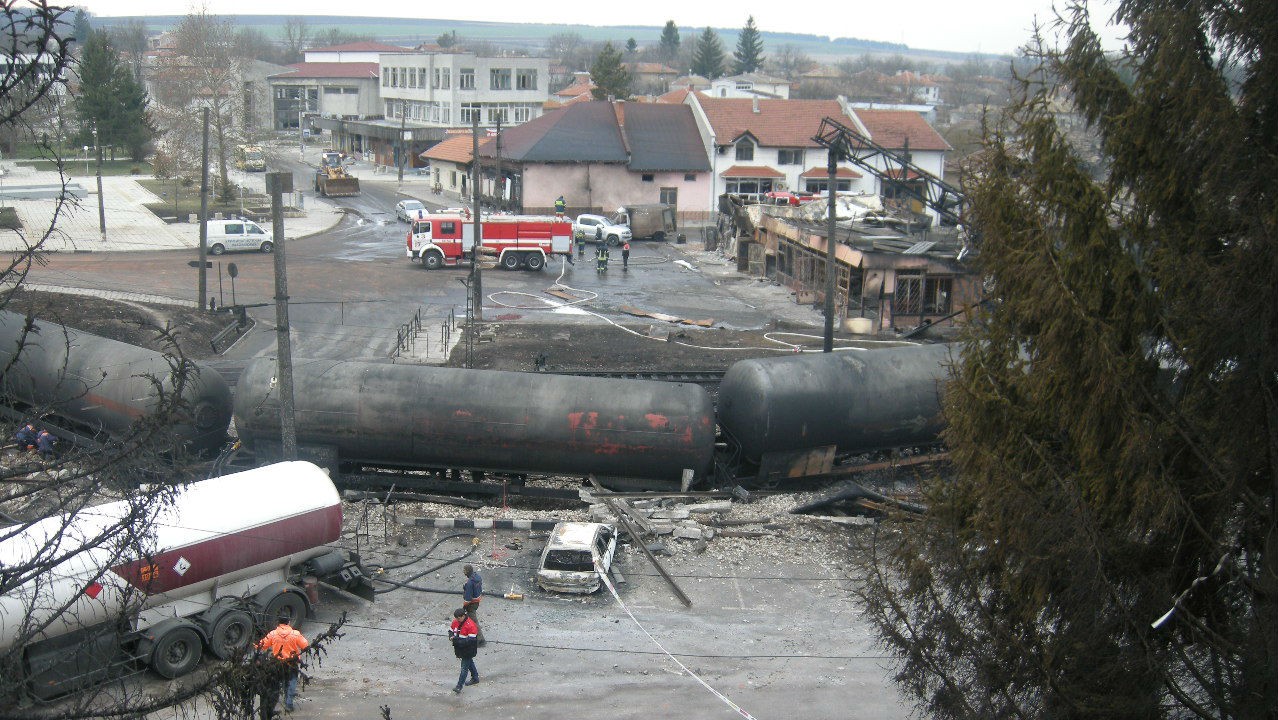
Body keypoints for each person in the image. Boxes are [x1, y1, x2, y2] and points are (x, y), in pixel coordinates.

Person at [256, 615, 309, 714]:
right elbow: (305, 645)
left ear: (279, 623)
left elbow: (261, 646)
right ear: (288, 622)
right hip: (291, 663)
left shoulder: (272, 634)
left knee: (277, 684)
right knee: (291, 682)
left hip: (277, 664)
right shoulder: (295, 634)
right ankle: (288, 704)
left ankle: (271, 706)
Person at [449, 608, 480, 694]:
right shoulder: (456, 621)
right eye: (456, 618)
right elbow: (451, 631)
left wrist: (456, 640)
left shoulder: (471, 625)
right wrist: (451, 636)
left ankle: (459, 686)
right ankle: (475, 678)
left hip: (468, 650)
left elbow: (471, 641)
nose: (457, 620)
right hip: (460, 649)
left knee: (464, 668)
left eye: (459, 618)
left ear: (463, 616)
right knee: (470, 663)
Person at [462, 564, 485, 645]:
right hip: (477, 601)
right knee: (470, 620)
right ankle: (470, 635)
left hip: (471, 604)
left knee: (474, 621)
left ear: (467, 571)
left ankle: (480, 640)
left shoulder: (469, 583)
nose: (463, 572)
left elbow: (467, 599)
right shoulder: (477, 577)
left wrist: (464, 607)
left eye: (464, 570)